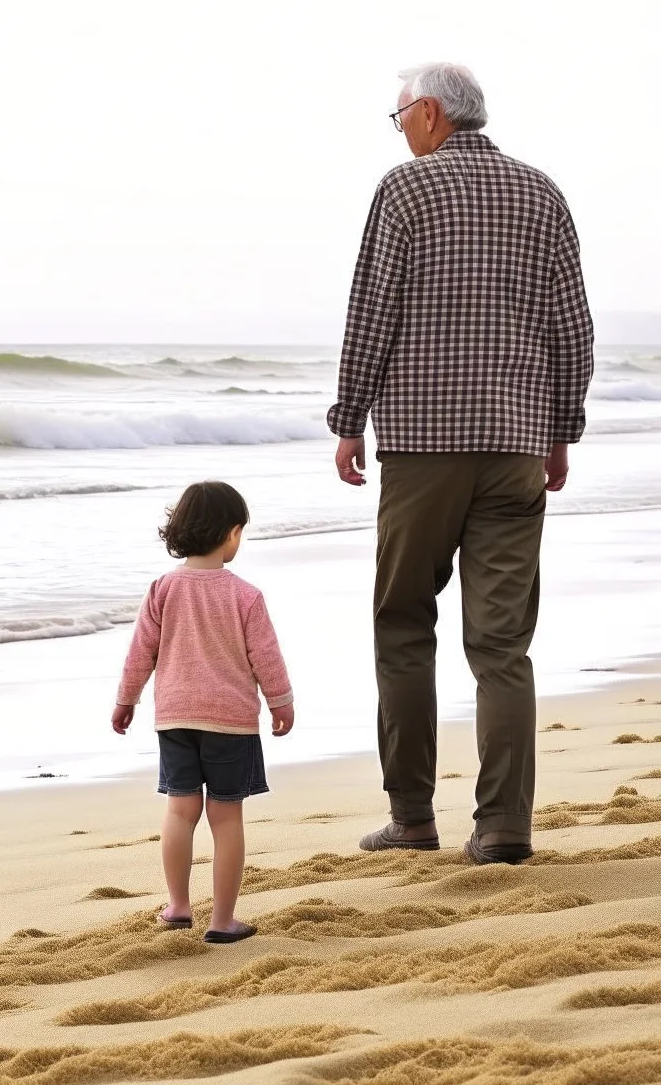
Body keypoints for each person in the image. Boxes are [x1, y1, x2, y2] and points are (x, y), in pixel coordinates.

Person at [328, 62, 594, 865]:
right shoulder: (542, 193)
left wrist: (348, 418)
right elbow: (571, 325)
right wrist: (560, 431)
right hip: (515, 442)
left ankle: (412, 816)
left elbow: (372, 309)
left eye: (401, 113)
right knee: (503, 644)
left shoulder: (405, 192)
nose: (400, 127)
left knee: (404, 623)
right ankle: (505, 825)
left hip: (423, 445)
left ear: (434, 114)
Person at [111, 480, 294, 942]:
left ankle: (177, 905)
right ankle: (222, 921)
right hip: (229, 721)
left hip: (174, 718)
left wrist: (125, 700)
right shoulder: (245, 596)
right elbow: (265, 657)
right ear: (233, 533)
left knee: (180, 811)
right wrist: (281, 701)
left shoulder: (163, 589)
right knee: (226, 816)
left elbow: (140, 654)